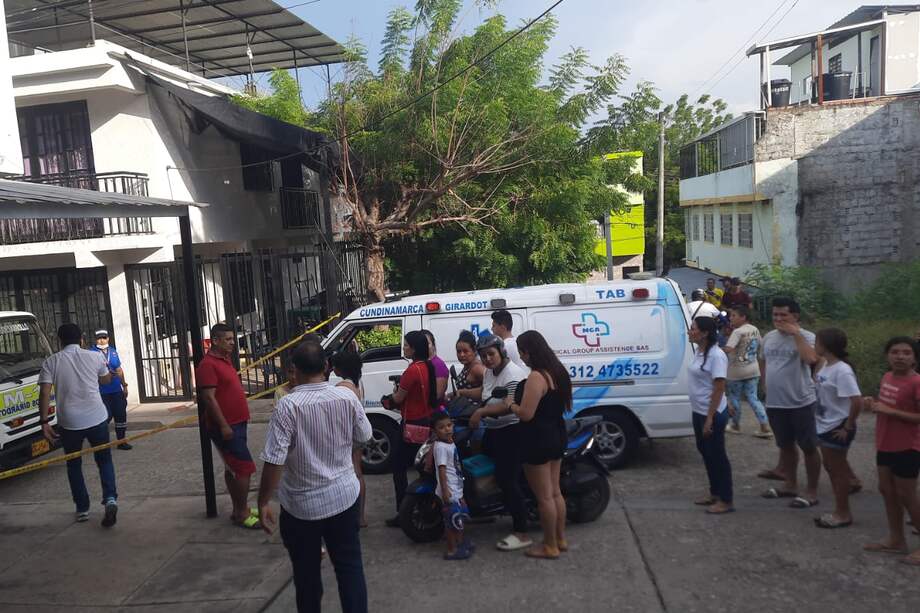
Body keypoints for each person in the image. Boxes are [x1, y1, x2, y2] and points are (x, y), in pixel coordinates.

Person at [258, 341, 372, 613]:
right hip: (344, 499)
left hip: (301, 509)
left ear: (294, 370)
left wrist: (262, 502)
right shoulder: (346, 397)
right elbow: (365, 436)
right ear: (326, 367)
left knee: (306, 577)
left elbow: (274, 460)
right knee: (350, 570)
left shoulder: (288, 406)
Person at [38, 323, 119, 526]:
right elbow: (105, 380)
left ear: (59, 340)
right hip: (97, 418)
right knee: (104, 460)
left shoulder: (51, 362)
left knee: (74, 464)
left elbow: (44, 393)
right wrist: (111, 375)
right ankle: (110, 499)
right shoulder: (95, 356)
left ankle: (82, 509)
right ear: (82, 339)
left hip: (69, 423)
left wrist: (44, 422)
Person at [506, 330, 570, 559]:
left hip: (537, 440)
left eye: (522, 353)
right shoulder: (557, 372)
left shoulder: (536, 377)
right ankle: (560, 539)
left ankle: (549, 545)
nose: (521, 357)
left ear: (529, 351)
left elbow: (526, 414)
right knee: (555, 493)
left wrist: (510, 405)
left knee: (543, 497)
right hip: (556, 434)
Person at [468, 333, 531, 552]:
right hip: (493, 431)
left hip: (511, 431)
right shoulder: (489, 372)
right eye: (483, 355)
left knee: (507, 479)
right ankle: (487, 509)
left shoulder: (513, 374)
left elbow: (508, 404)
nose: (487, 359)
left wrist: (481, 412)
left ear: (501, 351)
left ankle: (522, 531)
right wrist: (459, 393)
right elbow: (486, 394)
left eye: (491, 354)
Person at [758, 297, 821, 509]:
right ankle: (790, 484)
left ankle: (811, 490)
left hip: (801, 401)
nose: (778, 318)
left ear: (795, 316)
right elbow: (763, 361)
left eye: (783, 315)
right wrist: (764, 385)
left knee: (809, 446)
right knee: (785, 445)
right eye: (775, 314)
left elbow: (810, 359)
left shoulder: (808, 337)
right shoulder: (769, 337)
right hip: (776, 403)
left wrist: (796, 334)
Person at [862, 337, 920, 565]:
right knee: (887, 490)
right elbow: (887, 406)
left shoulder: (916, 382)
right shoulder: (887, 377)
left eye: (906, 353)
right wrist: (873, 404)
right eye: (895, 352)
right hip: (885, 443)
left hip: (909, 446)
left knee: (907, 495)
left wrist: (889, 411)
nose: (900, 356)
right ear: (887, 355)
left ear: (914, 357)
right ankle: (896, 539)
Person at [197, 323, 259, 529]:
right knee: (244, 468)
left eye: (233, 339)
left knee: (233, 467)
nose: (233, 343)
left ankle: (238, 508)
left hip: (238, 422)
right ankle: (242, 513)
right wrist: (223, 426)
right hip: (227, 425)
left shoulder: (225, 360)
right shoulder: (208, 365)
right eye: (228, 339)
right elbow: (208, 398)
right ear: (215, 340)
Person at [385, 330, 439, 527]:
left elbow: (398, 399)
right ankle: (428, 507)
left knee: (398, 468)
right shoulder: (428, 366)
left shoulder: (412, 370)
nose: (404, 348)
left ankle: (403, 511)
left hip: (411, 426)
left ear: (414, 348)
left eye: (406, 345)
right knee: (425, 469)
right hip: (427, 423)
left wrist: (388, 400)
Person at [812, 328, 862, 529]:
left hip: (837, 426)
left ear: (826, 345)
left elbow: (856, 401)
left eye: (817, 342)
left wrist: (847, 426)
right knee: (832, 468)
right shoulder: (827, 366)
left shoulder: (842, 370)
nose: (814, 345)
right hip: (825, 424)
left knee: (838, 472)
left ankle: (843, 513)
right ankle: (840, 510)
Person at [687, 317, 734, 515]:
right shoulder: (699, 351)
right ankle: (714, 493)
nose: (690, 331)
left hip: (711, 413)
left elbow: (719, 386)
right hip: (699, 410)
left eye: (693, 328)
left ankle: (726, 499)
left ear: (705, 333)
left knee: (717, 455)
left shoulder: (716, 355)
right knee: (706, 452)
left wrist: (710, 418)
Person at [332, 351, 369, 529]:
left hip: (348, 435)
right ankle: (360, 516)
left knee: (352, 473)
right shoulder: (357, 383)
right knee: (358, 471)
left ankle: (353, 515)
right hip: (358, 433)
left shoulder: (341, 388)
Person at [723, 306, 772, 438]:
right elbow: (761, 346)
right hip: (752, 369)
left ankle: (735, 425)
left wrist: (718, 349)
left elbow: (728, 349)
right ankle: (764, 426)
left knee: (734, 398)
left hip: (736, 371)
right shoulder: (754, 330)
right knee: (753, 398)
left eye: (733, 315)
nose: (730, 318)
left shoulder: (738, 332)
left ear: (743, 317)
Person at [432, 412, 472, 560]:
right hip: (449, 489)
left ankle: (460, 543)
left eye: (449, 425)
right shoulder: (441, 447)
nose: (447, 429)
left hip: (456, 487)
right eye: (442, 427)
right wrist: (445, 490)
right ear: (435, 431)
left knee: (459, 518)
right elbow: (442, 470)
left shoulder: (449, 442)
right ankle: (451, 549)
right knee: (451, 521)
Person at [90, 329, 132, 450]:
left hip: (116, 390)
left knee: (121, 415)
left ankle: (121, 441)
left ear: (108, 338)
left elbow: (119, 369)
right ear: (95, 339)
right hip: (101, 392)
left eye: (104, 337)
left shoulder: (113, 352)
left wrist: (124, 385)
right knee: (105, 417)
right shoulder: (91, 353)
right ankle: (100, 442)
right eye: (99, 338)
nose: (102, 340)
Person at [448, 330, 485, 401]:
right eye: (459, 351)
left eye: (465, 351)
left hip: (476, 410)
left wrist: (462, 392)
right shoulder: (467, 366)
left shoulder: (477, 368)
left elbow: (489, 388)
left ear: (474, 351)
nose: (462, 355)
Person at [422, 329, 449, 404]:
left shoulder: (438, 365)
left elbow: (438, 394)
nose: (424, 347)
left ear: (433, 345)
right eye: (422, 344)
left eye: (427, 343)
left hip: (434, 412)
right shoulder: (423, 363)